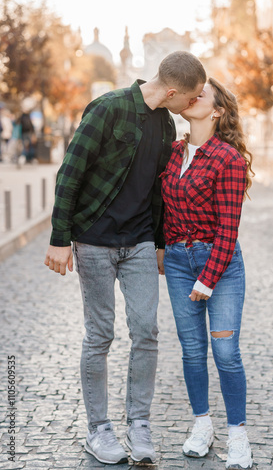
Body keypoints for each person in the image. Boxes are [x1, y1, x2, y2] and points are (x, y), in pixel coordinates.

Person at [44, 51, 206, 465]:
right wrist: (59, 239)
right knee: (100, 335)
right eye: (191, 97)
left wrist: (159, 242)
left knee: (146, 331)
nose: (193, 105)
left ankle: (140, 424)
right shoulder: (108, 108)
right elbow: (71, 173)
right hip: (94, 241)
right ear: (172, 91)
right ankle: (98, 430)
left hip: (136, 244)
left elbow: (156, 191)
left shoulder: (166, 123)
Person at [161, 77, 254, 469]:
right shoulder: (172, 152)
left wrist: (208, 277)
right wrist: (164, 251)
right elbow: (161, 210)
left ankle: (238, 435)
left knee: (226, 352)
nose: (193, 97)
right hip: (181, 264)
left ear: (216, 110)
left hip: (221, 265)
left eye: (202, 95)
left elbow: (228, 229)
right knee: (192, 351)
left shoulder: (228, 159)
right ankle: (202, 424)